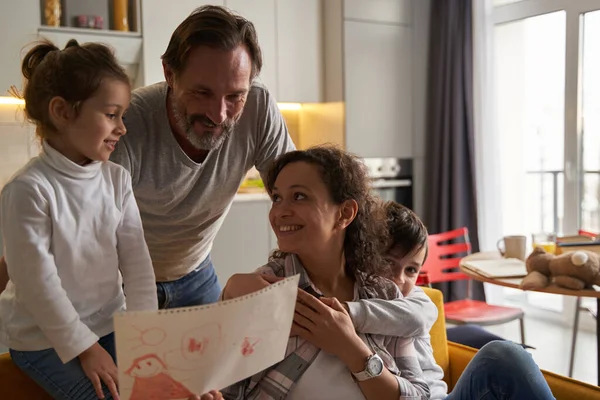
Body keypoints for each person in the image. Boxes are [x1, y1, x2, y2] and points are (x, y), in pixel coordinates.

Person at [0, 38, 223, 400]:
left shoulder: (116, 179)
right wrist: (86, 349)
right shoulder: (29, 191)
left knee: (176, 388)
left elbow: (137, 267)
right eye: (111, 115)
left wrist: (150, 342)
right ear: (62, 111)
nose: (122, 127)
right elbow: (39, 288)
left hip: (110, 325)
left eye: (122, 115)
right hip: (44, 339)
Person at [106, 4, 295, 309]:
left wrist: (278, 272)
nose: (218, 115)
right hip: (121, 284)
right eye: (202, 93)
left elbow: (300, 196)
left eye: (235, 96)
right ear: (170, 73)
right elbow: (88, 233)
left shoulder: (259, 108)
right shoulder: (128, 124)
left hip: (197, 276)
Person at [221, 146, 429, 399]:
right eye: (277, 198)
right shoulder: (259, 290)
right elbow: (226, 391)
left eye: (299, 196)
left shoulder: (383, 293)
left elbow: (418, 395)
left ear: (344, 213)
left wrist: (351, 349)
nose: (280, 212)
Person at [356, 201, 556, 400]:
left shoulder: (415, 300)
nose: (399, 279)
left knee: (505, 355)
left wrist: (346, 313)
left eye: (411, 270)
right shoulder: (356, 295)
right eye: (388, 263)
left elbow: (413, 319)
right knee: (503, 354)